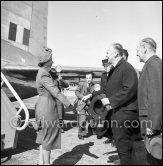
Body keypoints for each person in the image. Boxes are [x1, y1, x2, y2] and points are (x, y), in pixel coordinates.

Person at [35, 48, 76, 165]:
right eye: (51, 59)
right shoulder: (44, 74)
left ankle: (40, 163)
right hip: (47, 108)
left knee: (44, 138)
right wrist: (70, 105)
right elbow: (56, 92)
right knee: (48, 139)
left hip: (43, 106)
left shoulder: (43, 72)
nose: (53, 62)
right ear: (47, 61)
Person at [101, 43, 141, 165]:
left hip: (124, 114)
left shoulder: (126, 67)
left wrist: (111, 100)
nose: (106, 54)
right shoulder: (117, 67)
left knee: (124, 149)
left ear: (116, 53)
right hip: (120, 113)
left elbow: (129, 89)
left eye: (108, 52)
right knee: (126, 148)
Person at [137, 37, 162, 165]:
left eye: (138, 50)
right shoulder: (151, 64)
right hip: (149, 121)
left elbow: (157, 96)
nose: (136, 53)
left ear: (145, 49)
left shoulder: (153, 64)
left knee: (155, 158)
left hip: (152, 123)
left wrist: (153, 125)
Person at [96, 58, 114, 145]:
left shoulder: (114, 74)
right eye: (104, 66)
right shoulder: (103, 75)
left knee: (113, 119)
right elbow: (102, 88)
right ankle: (110, 137)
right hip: (105, 100)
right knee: (107, 119)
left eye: (106, 66)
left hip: (113, 100)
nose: (105, 67)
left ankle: (114, 139)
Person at [75, 72, 95, 140]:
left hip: (90, 104)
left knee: (94, 117)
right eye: (87, 78)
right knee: (82, 119)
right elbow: (76, 92)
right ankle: (81, 134)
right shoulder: (81, 84)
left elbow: (95, 94)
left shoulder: (94, 86)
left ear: (92, 78)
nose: (88, 79)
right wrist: (83, 97)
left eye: (89, 78)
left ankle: (91, 128)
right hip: (82, 104)